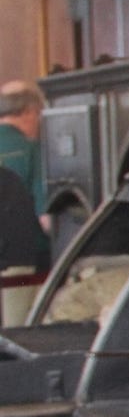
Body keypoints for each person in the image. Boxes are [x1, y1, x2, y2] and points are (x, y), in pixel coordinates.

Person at [0, 80, 49, 325]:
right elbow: (46, 218)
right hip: (24, 260)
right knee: (18, 331)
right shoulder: (34, 150)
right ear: (30, 111)